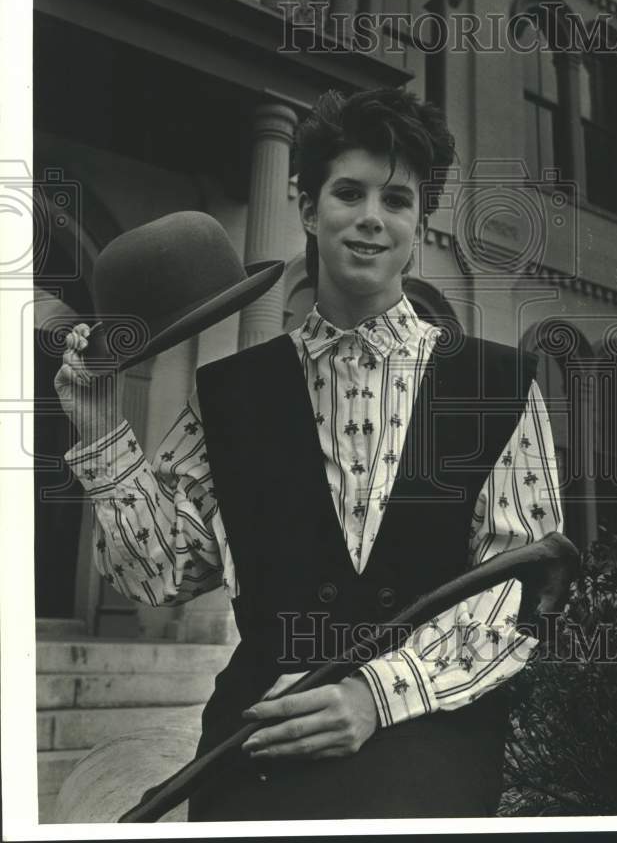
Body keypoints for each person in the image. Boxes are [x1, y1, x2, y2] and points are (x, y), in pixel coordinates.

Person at [56, 87, 564, 820]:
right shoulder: (232, 392)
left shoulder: (493, 383)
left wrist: (375, 694)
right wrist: (101, 431)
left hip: (429, 735)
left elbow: (515, 591)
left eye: (395, 200)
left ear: (419, 223)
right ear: (305, 206)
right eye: (348, 192)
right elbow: (161, 575)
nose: (370, 218)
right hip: (257, 737)